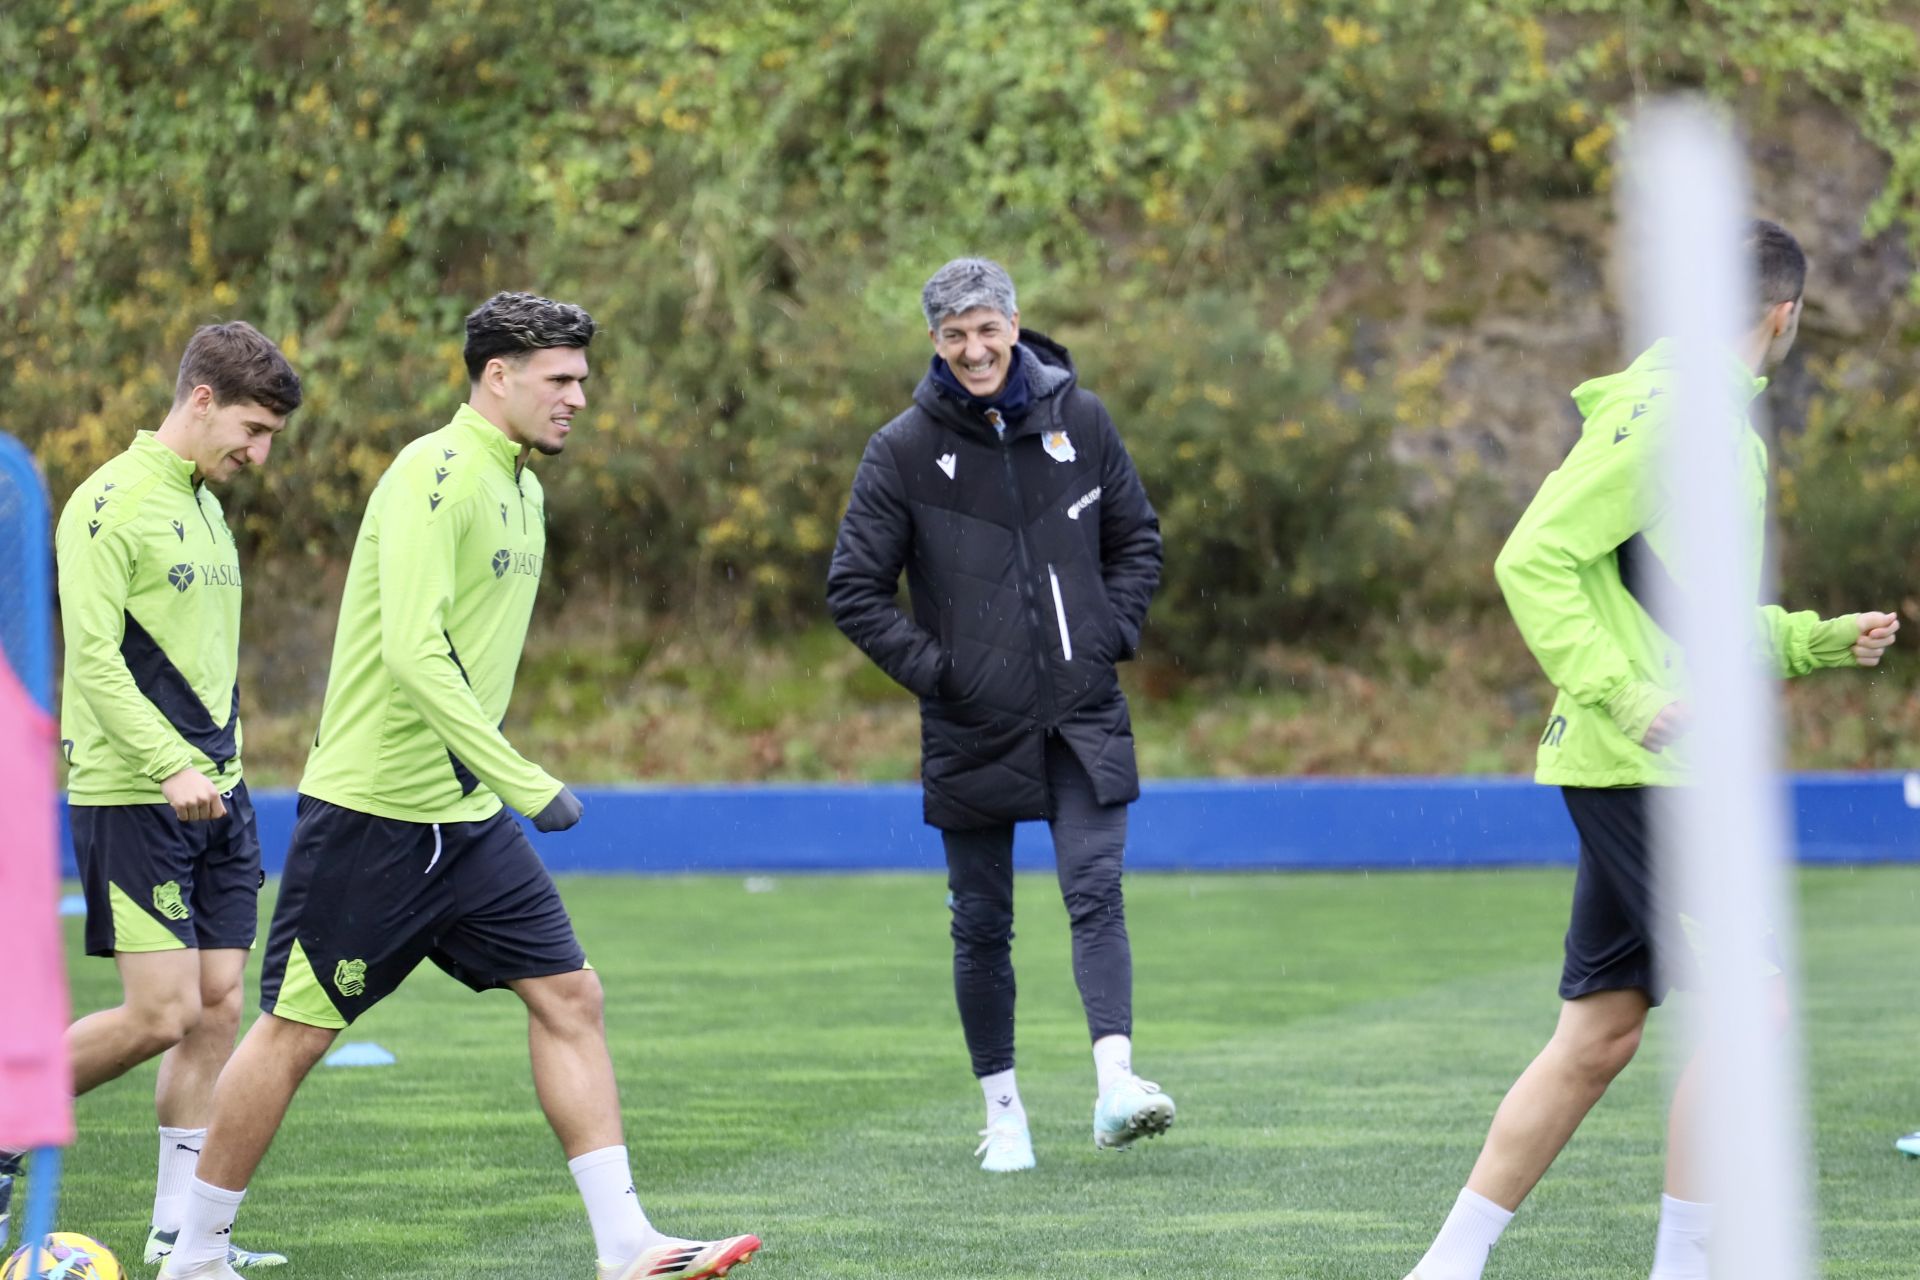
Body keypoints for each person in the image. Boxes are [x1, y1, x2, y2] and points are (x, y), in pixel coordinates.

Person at [157, 293, 761, 1280]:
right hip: (374, 812)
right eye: (560, 379)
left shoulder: (523, 488)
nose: (578, 397)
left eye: (582, 379)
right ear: (498, 376)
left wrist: (493, 784)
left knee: (571, 995)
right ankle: (195, 1253)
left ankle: (626, 1245)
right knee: (295, 1033)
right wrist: (523, 777)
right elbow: (412, 651)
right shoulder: (431, 474)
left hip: (466, 818)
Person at [1401, 220, 1899, 1280]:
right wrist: (1626, 694)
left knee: (1599, 1035)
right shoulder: (1676, 412)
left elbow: (1681, 610)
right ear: (1786, 314)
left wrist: (1813, 640)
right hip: (1641, 767)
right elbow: (1533, 557)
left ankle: (1447, 1263)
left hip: (1648, 766)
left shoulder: (1710, 419)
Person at [828, 257, 1169, 1173]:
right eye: (955, 335)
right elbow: (853, 589)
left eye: (987, 329)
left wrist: (1106, 634)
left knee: (1096, 894)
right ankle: (1004, 1115)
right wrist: (945, 676)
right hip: (971, 723)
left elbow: (1136, 539)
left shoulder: (1081, 420)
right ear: (934, 342)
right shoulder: (900, 449)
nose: (974, 350)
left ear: (1015, 327)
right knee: (982, 924)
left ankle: (1115, 1086)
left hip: (1082, 710)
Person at [2, 323, 302, 1268]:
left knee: (216, 1006)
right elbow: (93, 660)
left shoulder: (206, 506)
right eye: (252, 431)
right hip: (134, 793)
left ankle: (182, 1233)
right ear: (201, 399)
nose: (258, 455)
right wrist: (170, 763)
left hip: (220, 795)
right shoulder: (106, 503)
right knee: (159, 1014)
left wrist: (219, 766)